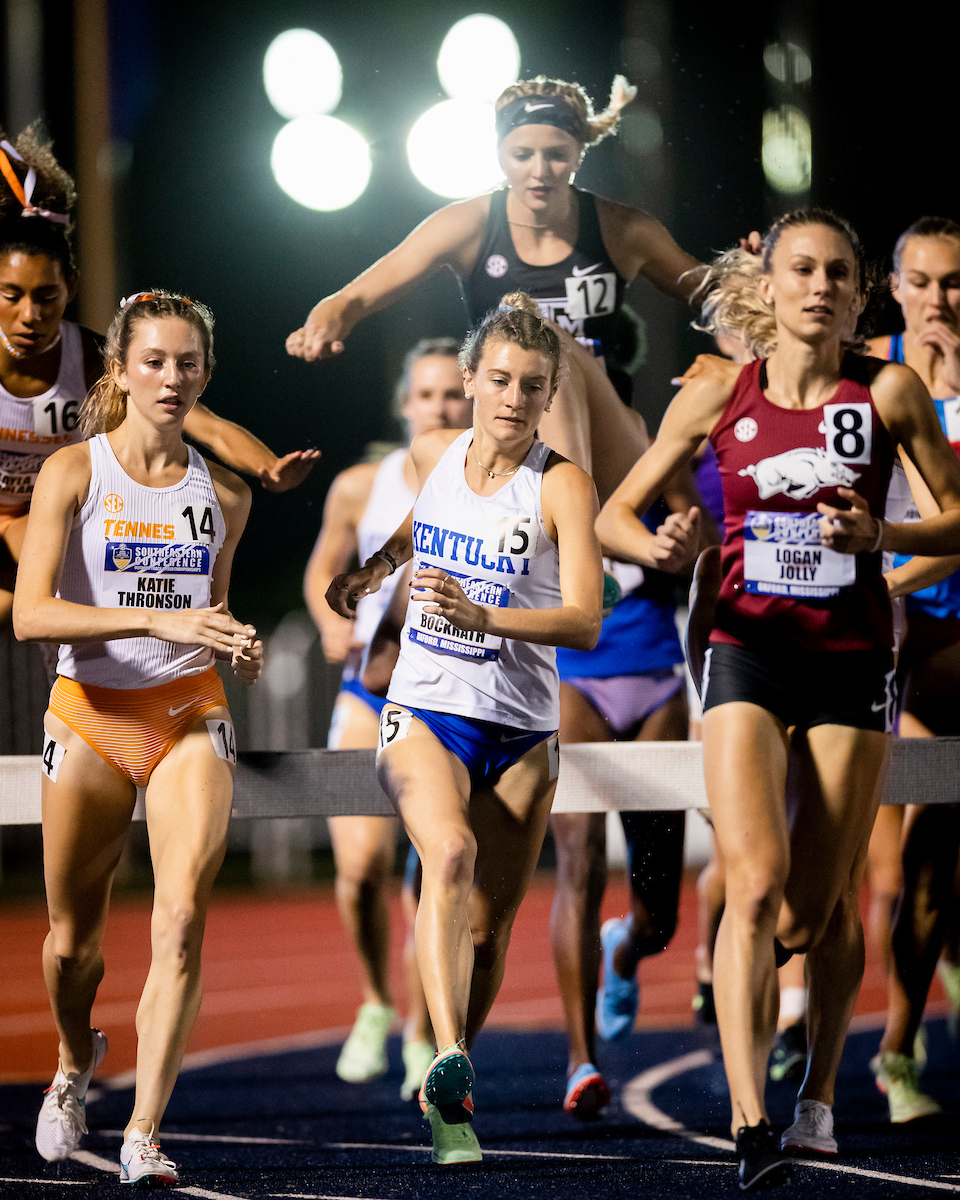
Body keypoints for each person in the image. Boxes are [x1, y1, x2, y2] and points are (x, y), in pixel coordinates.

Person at [595, 209, 960, 1190]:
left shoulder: (887, 391)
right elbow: (613, 515)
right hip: (746, 653)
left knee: (815, 911)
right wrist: (659, 546)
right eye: (802, 269)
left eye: (839, 273)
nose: (820, 287)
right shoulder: (718, 391)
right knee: (752, 885)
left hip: (849, 660)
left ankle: (820, 1099)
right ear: (771, 285)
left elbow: (958, 518)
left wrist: (882, 541)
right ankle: (752, 1120)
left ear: (860, 294)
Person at [326, 294, 602, 1164]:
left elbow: (585, 621)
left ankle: (455, 1084)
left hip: (520, 729)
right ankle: (443, 1056)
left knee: (487, 933)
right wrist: (377, 567)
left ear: (550, 392)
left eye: (532, 385)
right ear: (472, 380)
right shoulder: (435, 453)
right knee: (446, 854)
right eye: (500, 380)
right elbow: (423, 521)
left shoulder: (562, 485)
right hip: (426, 707)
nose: (514, 398)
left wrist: (487, 618)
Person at [14, 291, 264, 1186]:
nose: (171, 378)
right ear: (119, 370)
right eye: (153, 361)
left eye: (188, 363)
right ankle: (73, 1061)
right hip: (89, 713)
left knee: (184, 915)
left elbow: (212, 613)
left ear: (206, 374)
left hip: (187, 712)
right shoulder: (72, 473)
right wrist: (160, 619)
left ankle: (144, 1133)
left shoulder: (226, 495)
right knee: (70, 944)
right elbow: (33, 616)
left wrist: (236, 643)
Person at [286, 74, 704, 502]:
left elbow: (719, 296)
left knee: (543, 340)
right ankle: (551, 519)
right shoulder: (469, 224)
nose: (539, 171)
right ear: (499, 153)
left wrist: (743, 285)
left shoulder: (622, 230)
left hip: (607, 448)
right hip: (507, 439)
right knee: (443, 441)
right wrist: (328, 320)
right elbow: (355, 295)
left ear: (579, 153)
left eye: (556, 155)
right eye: (522, 155)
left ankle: (561, 518)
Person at [0, 126, 318, 630]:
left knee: (68, 589)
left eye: (46, 297)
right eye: (11, 295)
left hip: (47, 514)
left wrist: (268, 469)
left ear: (71, 288)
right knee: (27, 608)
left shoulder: (89, 357)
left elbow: (208, 426)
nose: (30, 315)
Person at [304, 338, 471, 1097]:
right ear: (405, 404)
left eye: (453, 394)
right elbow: (323, 567)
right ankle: (374, 1000)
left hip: (447, 696)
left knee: (432, 876)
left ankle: (418, 1033)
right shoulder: (360, 486)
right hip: (370, 690)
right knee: (359, 867)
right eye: (427, 394)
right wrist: (329, 621)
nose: (441, 407)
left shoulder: (492, 486)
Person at [865, 217, 960, 1121]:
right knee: (913, 864)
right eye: (921, 282)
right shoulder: (873, 375)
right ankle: (894, 1050)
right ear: (894, 286)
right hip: (913, 647)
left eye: (955, 282)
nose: (939, 300)